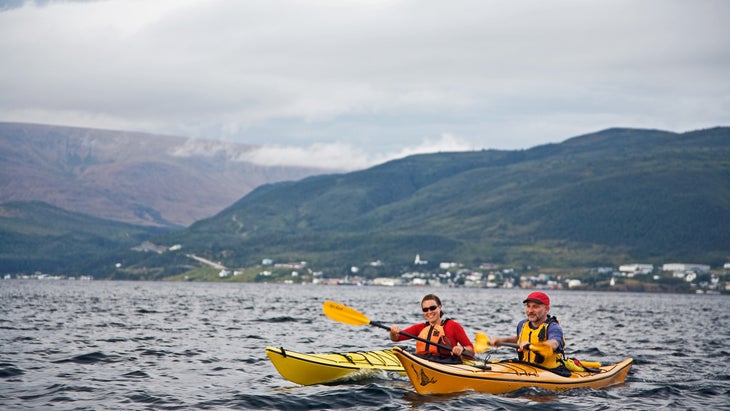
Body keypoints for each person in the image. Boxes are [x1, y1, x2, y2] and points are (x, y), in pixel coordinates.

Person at [490, 291, 570, 376]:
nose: (530, 311)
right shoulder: (522, 324)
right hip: (526, 367)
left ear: (546, 309)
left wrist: (532, 345)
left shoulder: (553, 327)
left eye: (535, 307)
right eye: (528, 306)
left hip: (550, 371)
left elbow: (554, 343)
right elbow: (519, 339)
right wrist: (501, 340)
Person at [389, 293, 475, 359]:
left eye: (433, 308)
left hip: (447, 363)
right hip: (423, 361)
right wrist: (393, 332)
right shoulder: (420, 328)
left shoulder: (453, 326)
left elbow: (471, 351)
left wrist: (462, 349)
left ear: (440, 307)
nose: (429, 312)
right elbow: (396, 338)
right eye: (425, 309)